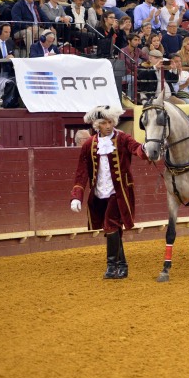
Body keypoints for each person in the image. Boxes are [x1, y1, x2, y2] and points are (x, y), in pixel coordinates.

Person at [70, 105, 148, 279]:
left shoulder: (123, 138)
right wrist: (77, 196)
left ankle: (111, 266)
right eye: (104, 123)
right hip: (99, 194)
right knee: (113, 229)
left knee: (110, 225)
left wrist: (146, 149)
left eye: (110, 122)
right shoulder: (89, 144)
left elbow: (136, 148)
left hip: (119, 193)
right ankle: (122, 266)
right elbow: (81, 172)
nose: (108, 126)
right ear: (97, 125)